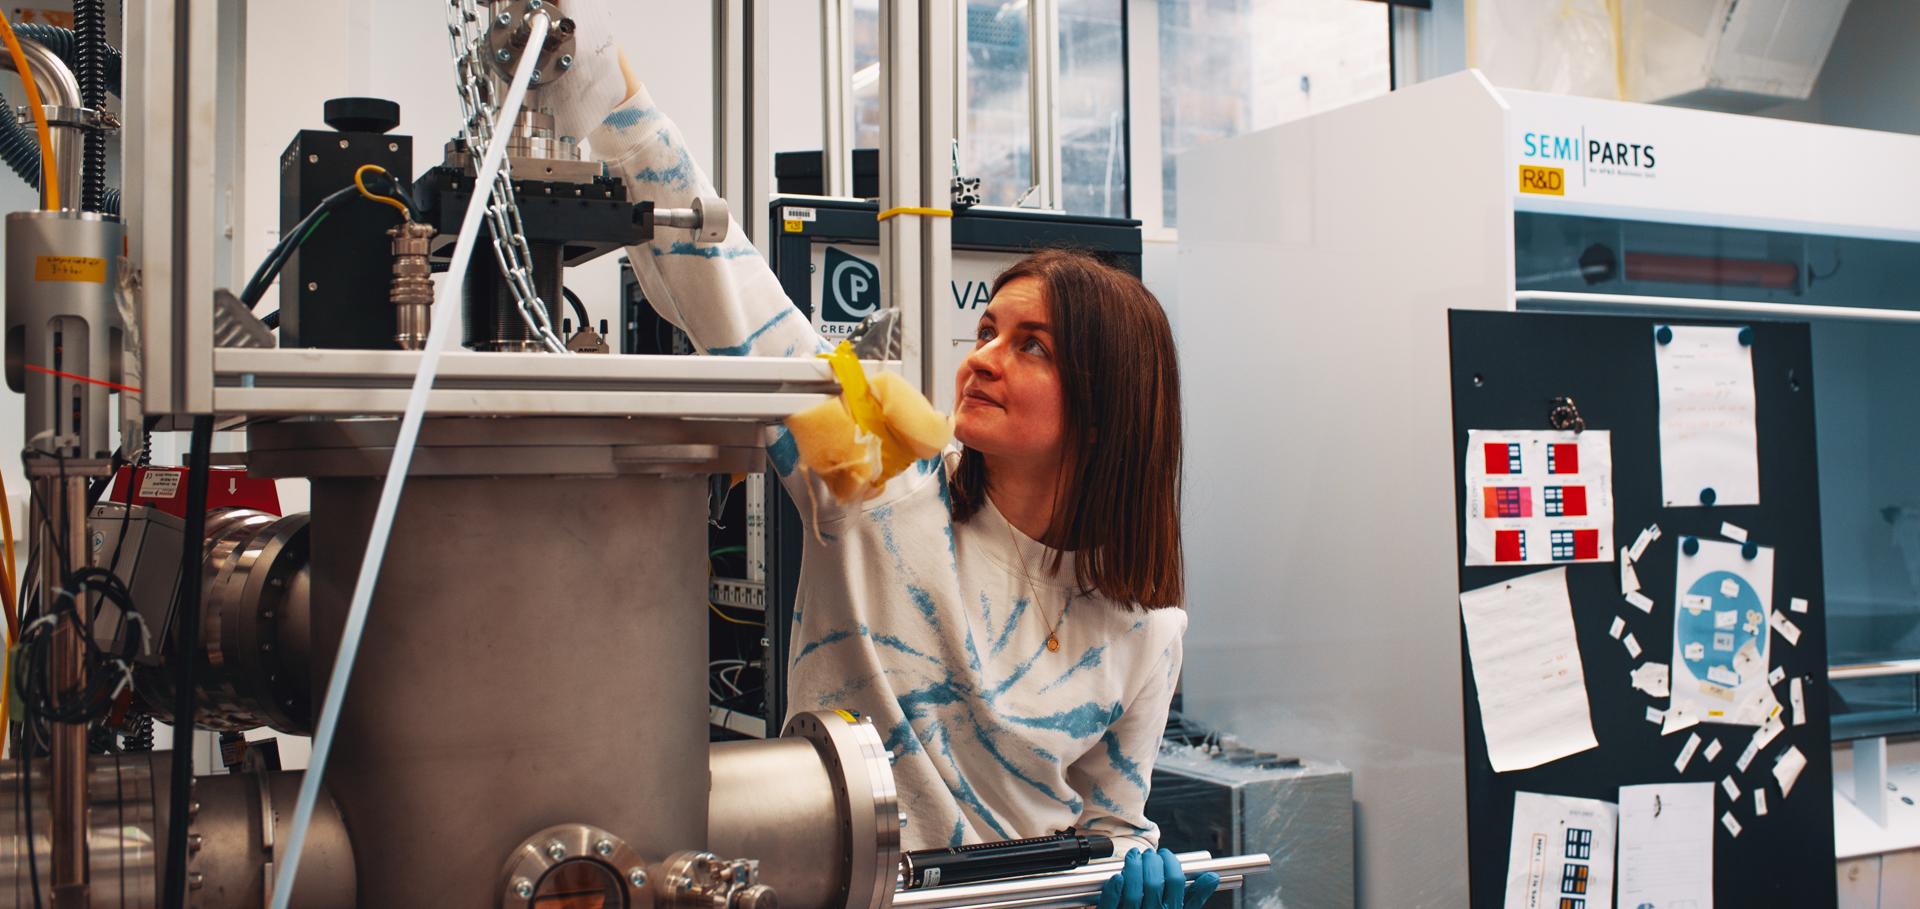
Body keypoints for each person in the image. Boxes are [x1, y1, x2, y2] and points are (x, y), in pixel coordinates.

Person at [550, 13, 1215, 909]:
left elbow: (1107, 833)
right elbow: (728, 286)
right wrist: (598, 84)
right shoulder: (873, 480)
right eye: (986, 330)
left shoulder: (1145, 629)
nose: (981, 357)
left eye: (1033, 346)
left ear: (1106, 412)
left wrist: (1131, 872)